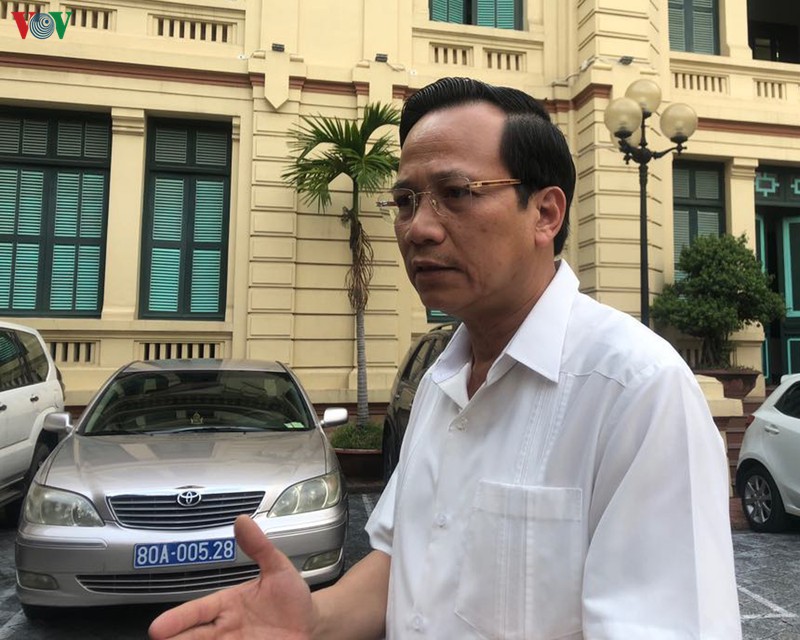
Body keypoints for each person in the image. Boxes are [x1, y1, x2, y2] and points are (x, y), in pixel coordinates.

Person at [149, 77, 741, 640]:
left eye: (457, 193)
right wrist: (315, 620)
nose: (418, 229)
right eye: (405, 200)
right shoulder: (440, 380)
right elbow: (407, 560)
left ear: (545, 213)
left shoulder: (636, 391)